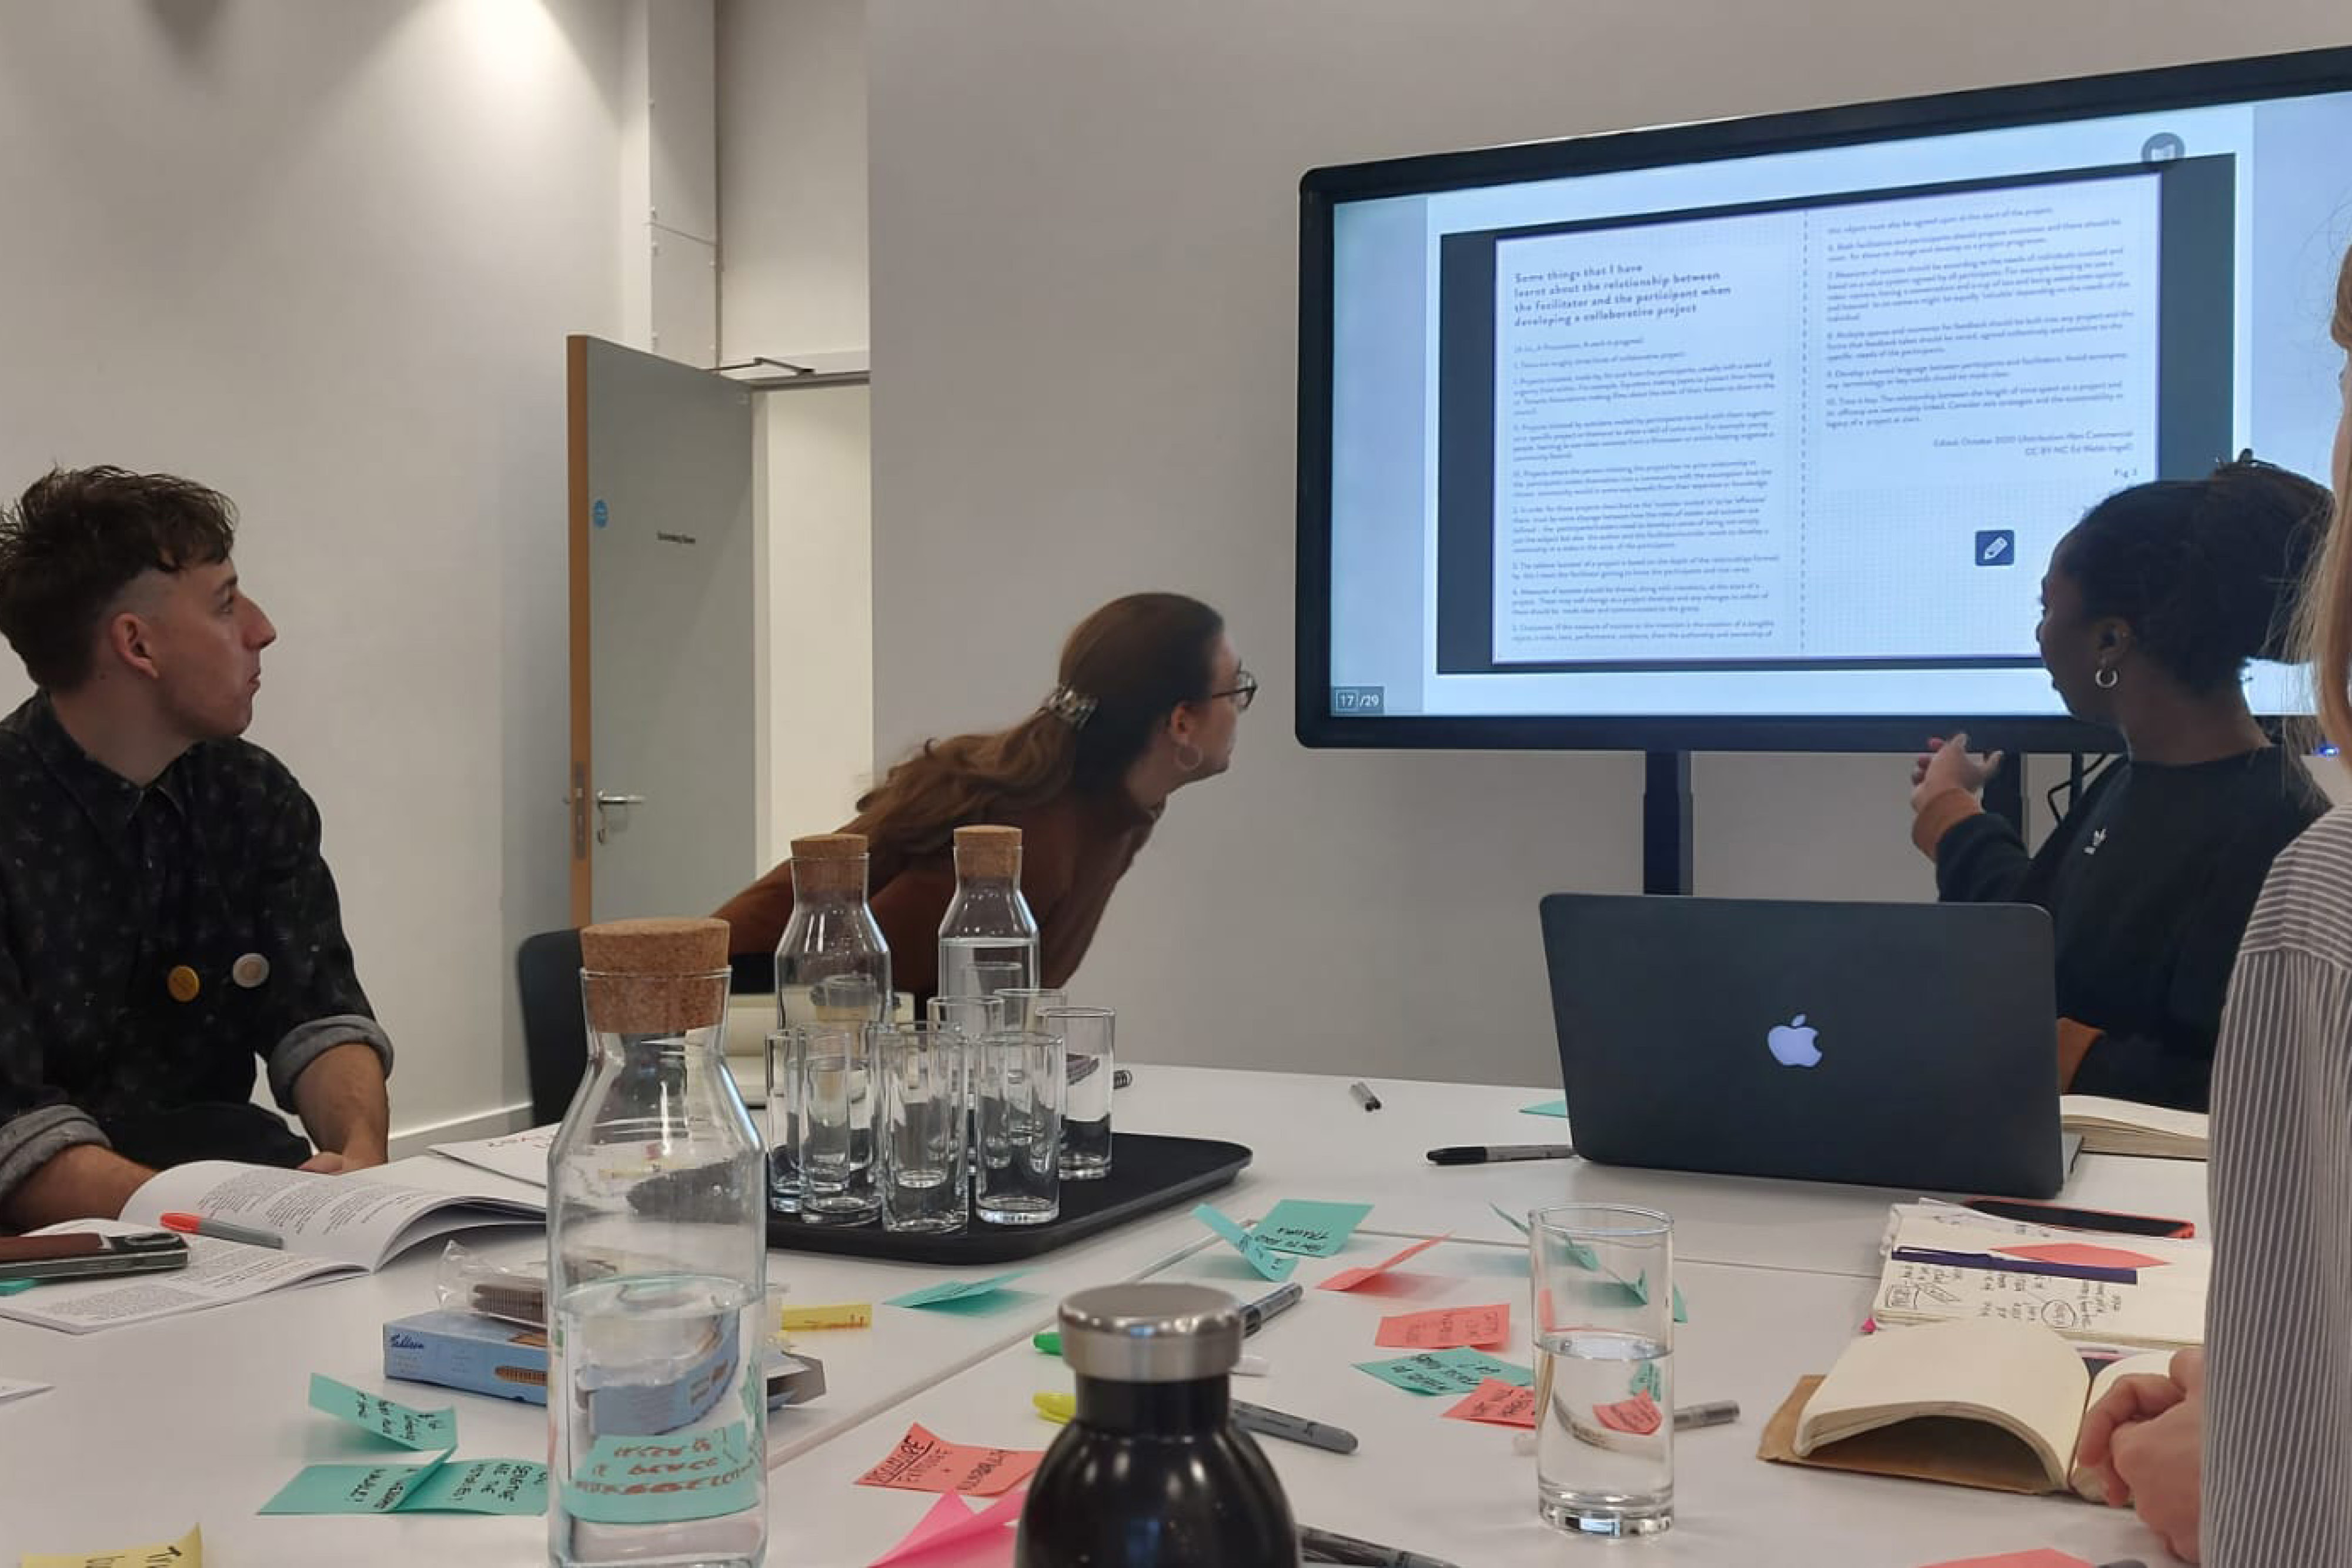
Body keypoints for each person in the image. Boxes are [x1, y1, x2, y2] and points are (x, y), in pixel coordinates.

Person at [2070, 243, 2352, 1566]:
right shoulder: (2116, 793)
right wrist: (2258, 1399)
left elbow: (2284, 1526)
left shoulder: (2314, 877)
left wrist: (2254, 1450)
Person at [0, 467, 392, 1229]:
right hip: (53, 1249)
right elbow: (12, 1140)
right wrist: (234, 1215)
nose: (261, 626)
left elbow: (318, 1014)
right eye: (225, 602)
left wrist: (359, 1156)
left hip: (236, 1197)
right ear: (136, 643)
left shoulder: (252, 795)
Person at [1906, 457, 2333, 1109]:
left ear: (2109, 639)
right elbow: (2038, 933)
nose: (2040, 636)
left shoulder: (2277, 831)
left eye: (2046, 607)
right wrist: (1953, 811)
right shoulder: (2135, 782)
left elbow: (2253, 1090)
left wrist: (2070, 1054)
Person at [716, 592, 1248, 997]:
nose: (1242, 703)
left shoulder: (1114, 809)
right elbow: (856, 984)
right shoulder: (1029, 835)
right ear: (1181, 722)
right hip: (742, 1009)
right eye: (1234, 686)